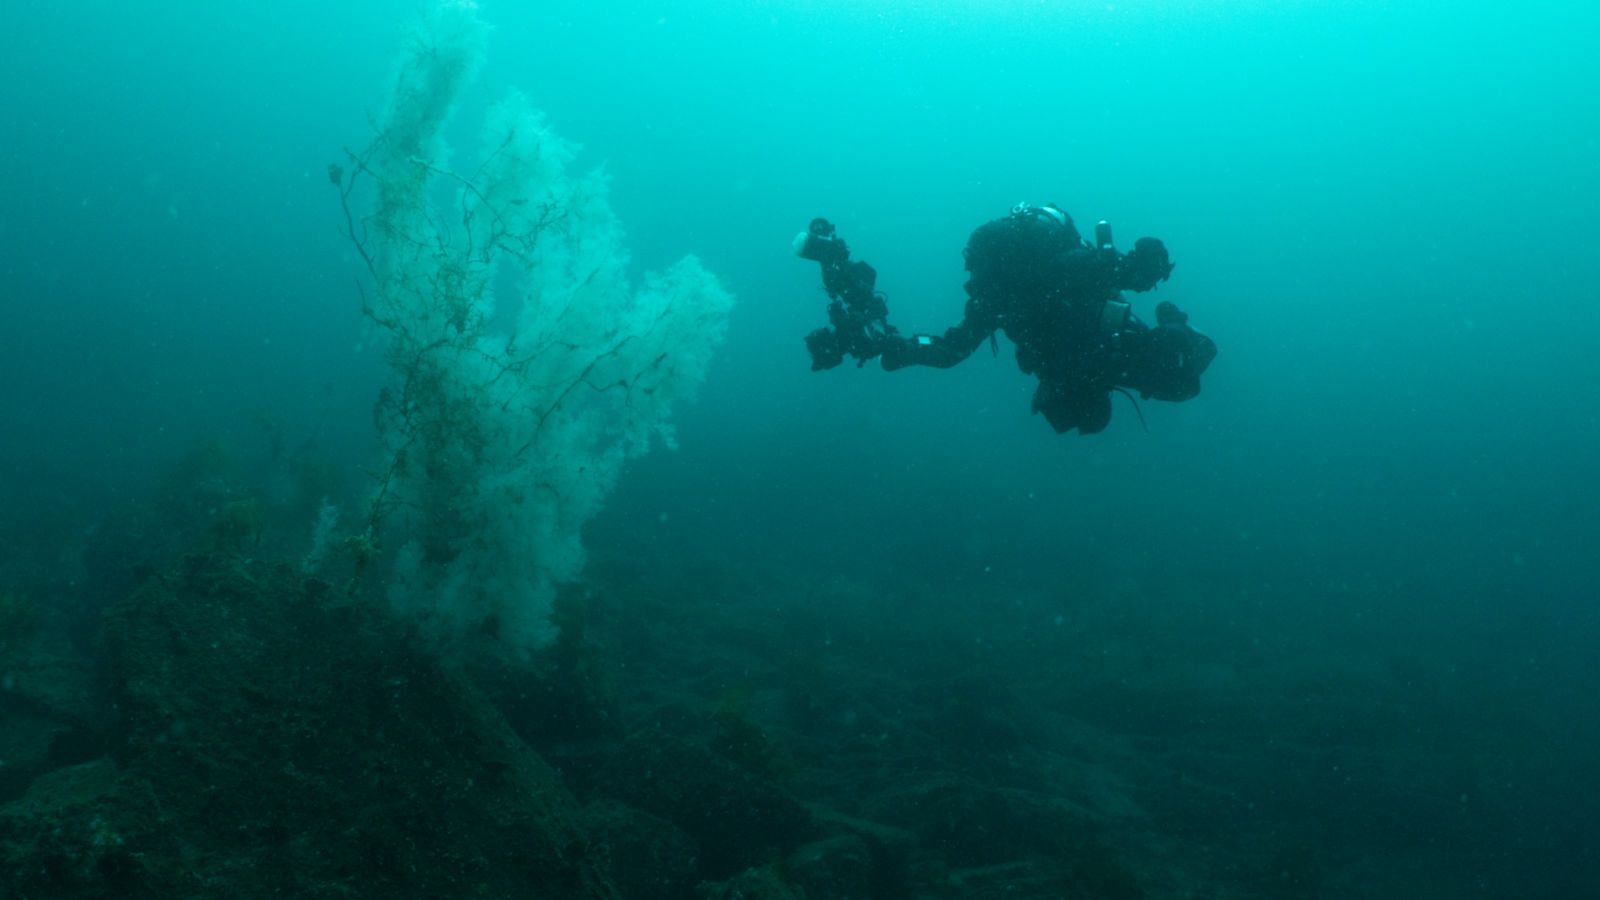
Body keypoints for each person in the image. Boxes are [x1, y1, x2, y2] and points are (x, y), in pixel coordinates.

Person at [794, 203, 1216, 434]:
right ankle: (850, 291)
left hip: (1023, 297)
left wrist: (892, 347)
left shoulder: (1020, 303)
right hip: (1053, 295)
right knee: (1183, 378)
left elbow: (948, 350)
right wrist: (1143, 275)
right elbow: (1101, 274)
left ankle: (841, 275)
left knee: (949, 351)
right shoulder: (1070, 293)